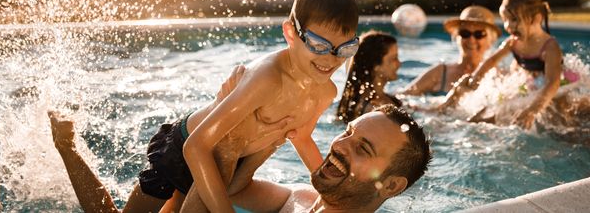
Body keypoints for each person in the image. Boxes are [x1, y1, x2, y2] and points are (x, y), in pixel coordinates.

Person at [95, 0, 359, 213]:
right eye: (319, 45)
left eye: (345, 48)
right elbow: (196, 146)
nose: (331, 59)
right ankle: (67, 145)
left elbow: (300, 137)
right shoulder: (268, 78)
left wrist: (338, 195)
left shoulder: (325, 92)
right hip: (182, 149)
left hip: (228, 164)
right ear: (291, 33)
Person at [49, 104, 431, 213]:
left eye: (362, 148)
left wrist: (230, 131)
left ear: (393, 185)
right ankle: (66, 148)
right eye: (347, 133)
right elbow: (232, 189)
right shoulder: (301, 198)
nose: (340, 145)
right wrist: (265, 139)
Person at [442, 0, 563, 129]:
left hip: (555, 86)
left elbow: (553, 83)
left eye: (514, 20)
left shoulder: (550, 47)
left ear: (535, 19)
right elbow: (492, 60)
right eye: (505, 20)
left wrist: (532, 111)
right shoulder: (513, 42)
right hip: (531, 83)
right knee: (483, 114)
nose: (508, 26)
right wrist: (476, 78)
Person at [400, 6, 501, 96]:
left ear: (490, 41)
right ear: (457, 37)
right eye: (465, 33)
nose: (471, 40)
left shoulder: (497, 77)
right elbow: (403, 97)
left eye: (479, 34)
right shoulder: (440, 72)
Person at [336, 30, 402, 123]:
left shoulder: (387, 99)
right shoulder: (371, 109)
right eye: (394, 58)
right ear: (376, 66)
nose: (399, 64)